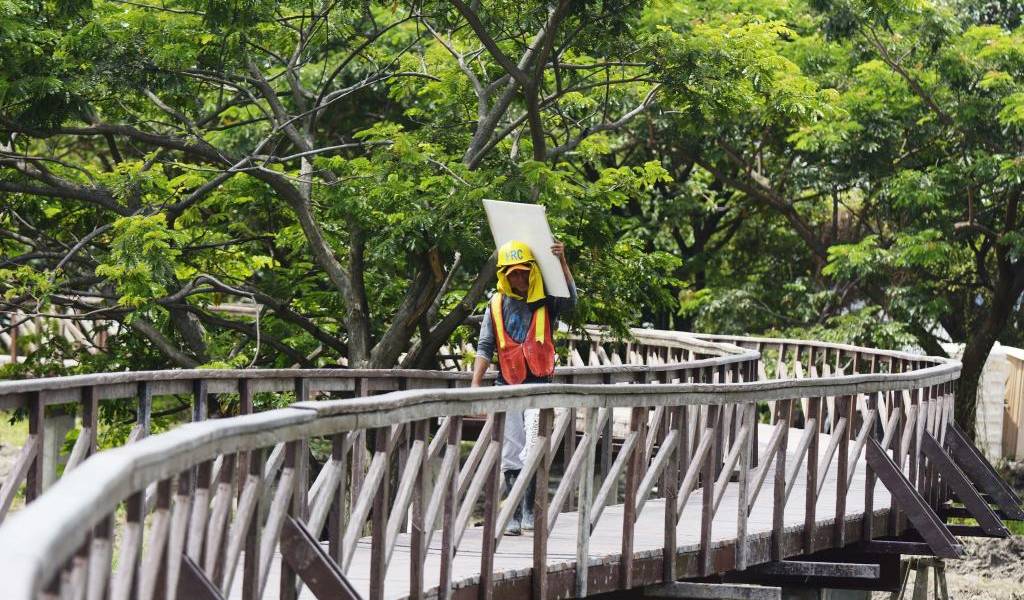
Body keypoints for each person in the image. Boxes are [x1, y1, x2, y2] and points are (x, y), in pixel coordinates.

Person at [471, 239, 577, 535]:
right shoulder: (495, 305)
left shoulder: (546, 300)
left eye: (522, 272)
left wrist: (562, 262)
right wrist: (476, 384)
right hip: (507, 385)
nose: (517, 278)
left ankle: (529, 511)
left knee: (532, 447)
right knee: (511, 450)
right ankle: (514, 515)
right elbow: (485, 346)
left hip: (538, 386)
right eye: (512, 273)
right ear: (505, 275)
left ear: (530, 272)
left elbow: (572, 302)